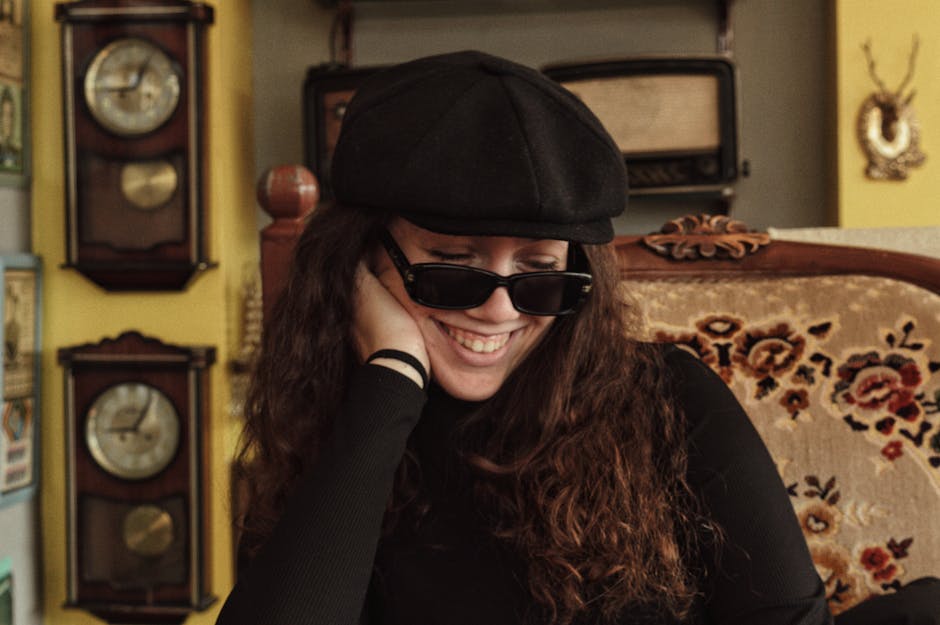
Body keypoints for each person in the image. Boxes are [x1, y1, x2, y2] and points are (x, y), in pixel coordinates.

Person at [217, 51, 938, 625]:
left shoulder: (671, 400)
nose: (497, 310)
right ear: (359, 263)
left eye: (538, 275)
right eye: (453, 269)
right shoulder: (327, 427)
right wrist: (391, 380)